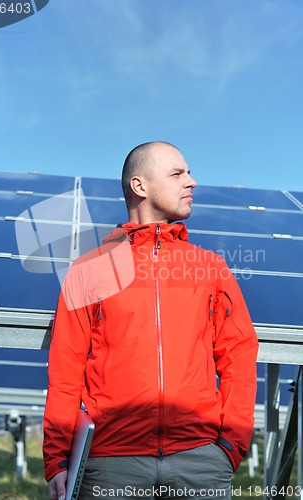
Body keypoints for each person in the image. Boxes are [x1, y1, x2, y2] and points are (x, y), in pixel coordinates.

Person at [43, 141, 259, 500]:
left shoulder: (210, 268)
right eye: (177, 174)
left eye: (188, 173)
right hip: (111, 466)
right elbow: (65, 368)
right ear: (139, 186)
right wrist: (57, 460)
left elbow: (238, 354)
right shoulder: (90, 270)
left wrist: (230, 445)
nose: (192, 182)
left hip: (201, 462)